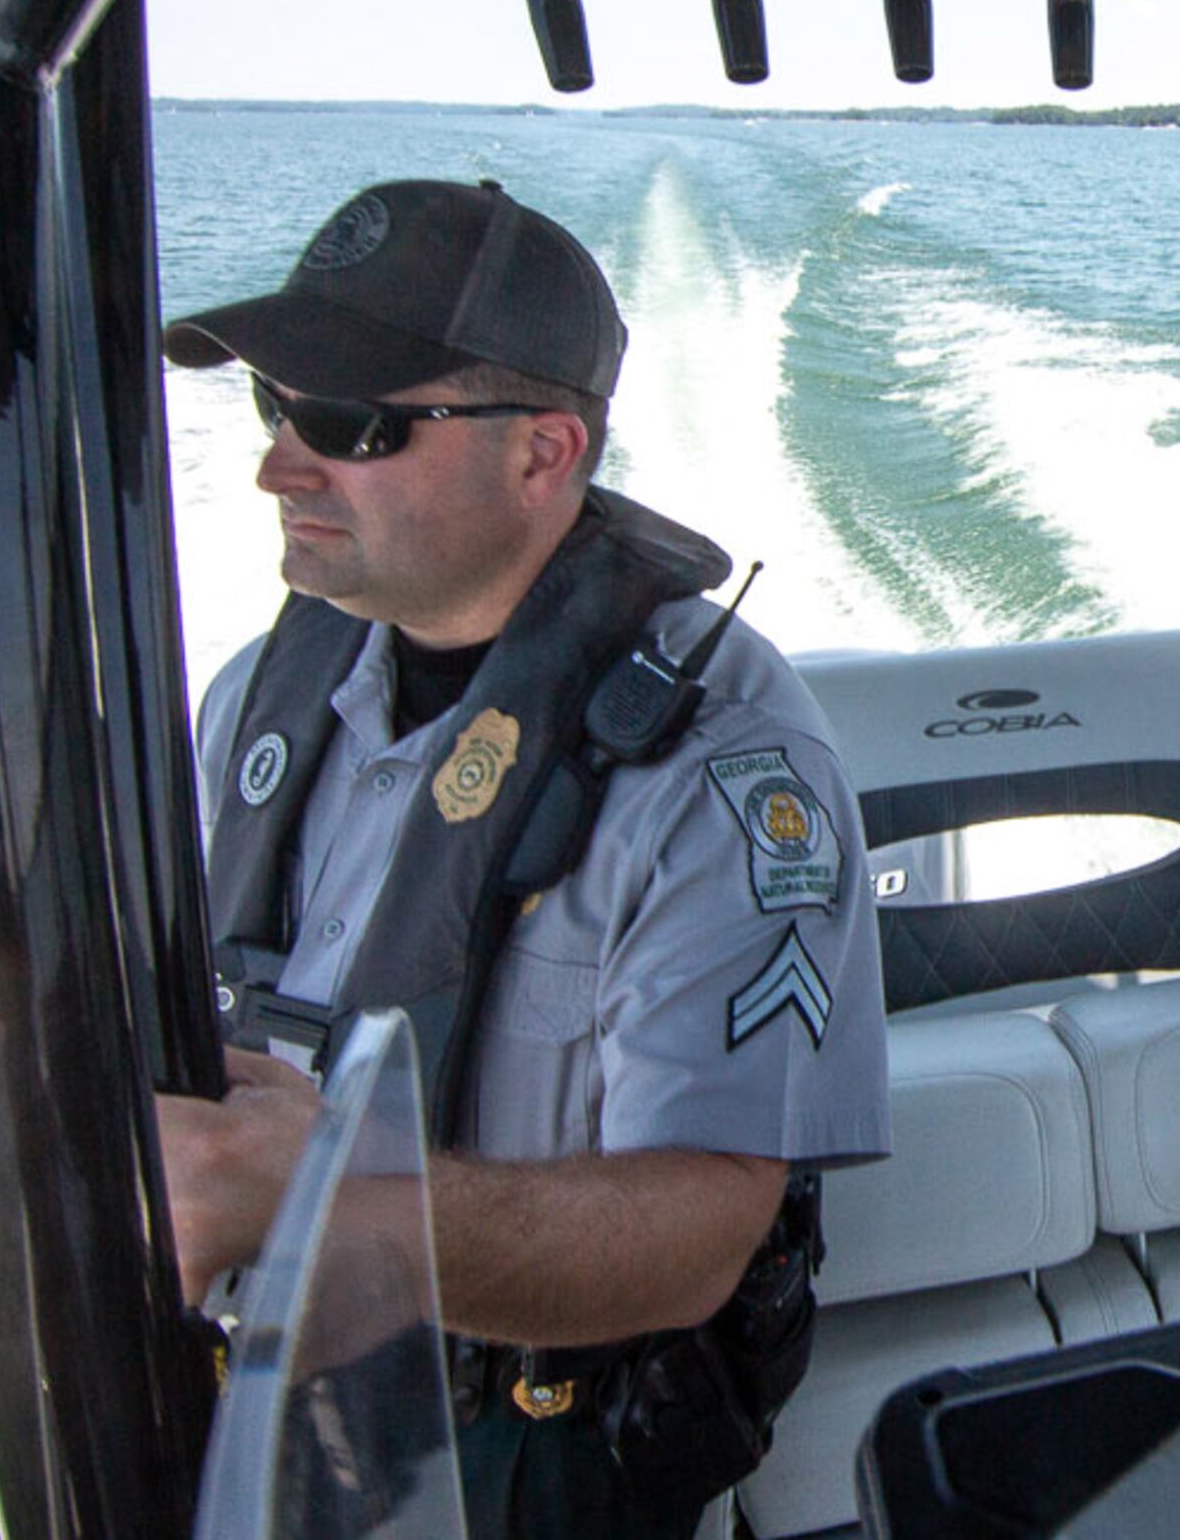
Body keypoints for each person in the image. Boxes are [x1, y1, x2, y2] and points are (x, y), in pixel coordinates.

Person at [152, 179, 887, 1540]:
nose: (277, 465)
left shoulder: (724, 772)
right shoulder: (257, 697)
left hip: (540, 1460)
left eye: (350, 422)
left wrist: (322, 1207)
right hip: (271, 1412)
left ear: (545, 453)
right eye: (273, 405)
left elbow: (701, 1237)